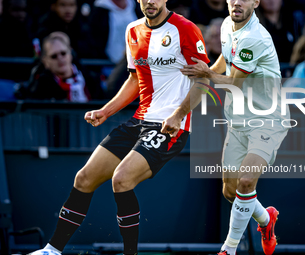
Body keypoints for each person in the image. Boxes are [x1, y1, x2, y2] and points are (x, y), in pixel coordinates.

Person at [29, 1, 210, 255]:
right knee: (84, 178)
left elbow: (203, 78)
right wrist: (106, 111)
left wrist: (179, 114)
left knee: (122, 180)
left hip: (171, 126)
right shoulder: (133, 30)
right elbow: (135, 79)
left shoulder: (185, 28)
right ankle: (52, 250)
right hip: (139, 121)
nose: (150, 1)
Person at [180, 0, 290, 254]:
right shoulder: (228, 24)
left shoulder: (255, 37)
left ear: (256, 2)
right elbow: (224, 60)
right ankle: (266, 219)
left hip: (267, 120)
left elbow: (235, 83)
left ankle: (228, 250)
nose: (237, 2)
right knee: (231, 191)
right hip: (237, 120)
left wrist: (204, 74)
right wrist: (207, 70)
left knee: (246, 181)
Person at [27, 33, 103, 101]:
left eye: (63, 53)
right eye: (54, 56)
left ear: (70, 53)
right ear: (45, 61)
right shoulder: (40, 88)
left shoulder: (92, 79)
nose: (60, 58)